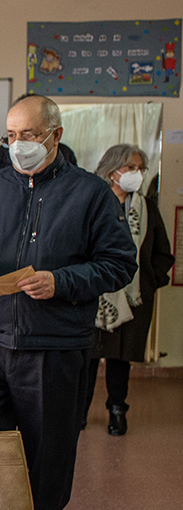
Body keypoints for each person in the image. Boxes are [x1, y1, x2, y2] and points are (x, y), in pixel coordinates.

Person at [0, 95, 137, 510]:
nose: (20, 145)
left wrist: (63, 281)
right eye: (11, 136)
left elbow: (120, 264)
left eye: (30, 135)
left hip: (55, 343)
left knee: (47, 443)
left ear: (55, 135)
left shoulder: (91, 194)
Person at [84, 144, 174, 435]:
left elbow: (163, 252)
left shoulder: (146, 207)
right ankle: (79, 413)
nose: (137, 174)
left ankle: (117, 410)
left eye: (140, 169)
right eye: (131, 168)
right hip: (95, 296)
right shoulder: (93, 201)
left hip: (134, 297)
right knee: (87, 358)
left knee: (120, 360)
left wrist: (151, 281)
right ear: (112, 170)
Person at [0, 95, 77, 179]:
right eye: (12, 135)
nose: (18, 144)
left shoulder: (65, 154)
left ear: (56, 135)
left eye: (28, 135)